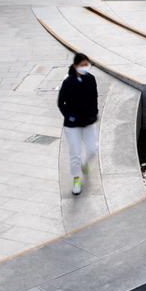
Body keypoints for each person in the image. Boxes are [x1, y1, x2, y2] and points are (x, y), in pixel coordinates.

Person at [57, 52, 98, 196]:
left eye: (86, 65)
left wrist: (94, 113)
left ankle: (84, 164)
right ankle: (76, 178)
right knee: (75, 153)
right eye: (82, 65)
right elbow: (61, 103)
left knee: (93, 148)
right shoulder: (68, 83)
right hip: (72, 125)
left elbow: (94, 98)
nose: (85, 67)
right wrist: (70, 116)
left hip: (88, 122)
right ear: (75, 66)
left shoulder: (91, 79)